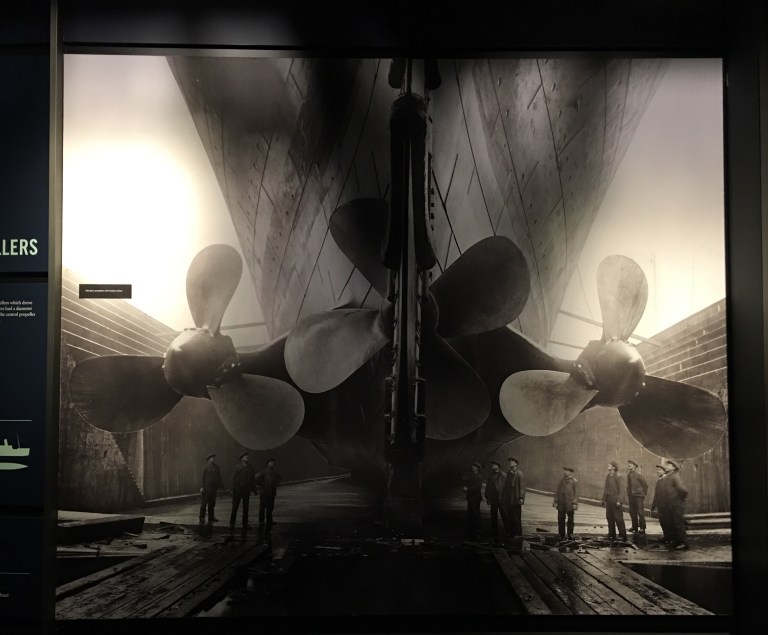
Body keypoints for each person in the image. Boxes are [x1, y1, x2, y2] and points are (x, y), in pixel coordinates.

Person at [664, 459, 689, 550]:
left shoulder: (675, 476)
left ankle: (684, 543)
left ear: (674, 467)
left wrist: (681, 499)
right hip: (671, 504)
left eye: (668, 465)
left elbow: (683, 490)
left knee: (678, 523)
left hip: (677, 504)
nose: (666, 466)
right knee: (673, 523)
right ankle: (677, 541)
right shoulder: (669, 476)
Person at [229, 451, 256, 530]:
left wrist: (254, 489)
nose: (247, 457)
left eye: (247, 456)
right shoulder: (237, 467)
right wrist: (232, 489)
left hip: (246, 490)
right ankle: (232, 523)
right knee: (235, 507)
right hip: (238, 489)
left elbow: (252, 480)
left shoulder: (251, 467)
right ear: (241, 459)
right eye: (245, 456)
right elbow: (233, 479)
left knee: (246, 507)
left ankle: (245, 523)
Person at [602, 460, 628, 541]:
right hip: (609, 501)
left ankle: (623, 535)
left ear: (613, 467)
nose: (608, 465)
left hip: (616, 502)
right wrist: (603, 499)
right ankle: (611, 534)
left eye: (609, 465)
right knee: (609, 518)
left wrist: (619, 501)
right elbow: (606, 488)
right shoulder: (608, 476)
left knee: (618, 518)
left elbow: (622, 490)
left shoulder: (618, 476)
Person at [501, 456, 526, 538]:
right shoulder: (508, 474)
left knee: (516, 517)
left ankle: (518, 534)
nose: (510, 462)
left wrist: (521, 497)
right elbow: (506, 487)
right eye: (510, 461)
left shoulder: (519, 474)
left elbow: (522, 487)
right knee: (510, 516)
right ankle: (512, 533)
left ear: (516, 464)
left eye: (512, 461)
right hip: (508, 499)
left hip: (516, 499)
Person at [254, 457, 283, 529]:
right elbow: (256, 478)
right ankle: (261, 521)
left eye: (273, 462)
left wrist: (275, 483)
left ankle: (269, 521)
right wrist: (262, 484)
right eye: (271, 462)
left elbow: (280, 477)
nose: (272, 463)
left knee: (270, 507)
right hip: (264, 492)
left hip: (272, 492)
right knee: (263, 507)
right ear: (267, 464)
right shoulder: (264, 471)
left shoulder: (274, 472)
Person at [484, 461, 507, 540]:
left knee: (504, 515)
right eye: (492, 464)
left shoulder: (504, 475)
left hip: (502, 499)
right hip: (493, 499)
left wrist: (505, 498)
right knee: (493, 516)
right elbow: (488, 487)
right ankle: (494, 533)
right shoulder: (491, 475)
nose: (493, 465)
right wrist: (488, 497)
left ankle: (508, 532)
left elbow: (507, 488)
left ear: (498, 466)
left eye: (494, 464)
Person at [553, 467, 578, 540]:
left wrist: (574, 503)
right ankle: (561, 534)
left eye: (566, 471)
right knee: (560, 518)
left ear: (570, 472)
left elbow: (576, 493)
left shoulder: (574, 481)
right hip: (561, 503)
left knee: (570, 520)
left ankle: (570, 534)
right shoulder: (562, 480)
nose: (565, 472)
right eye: (565, 470)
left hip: (570, 503)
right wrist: (556, 500)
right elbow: (558, 491)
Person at [199, 453, 222, 524]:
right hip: (206, 488)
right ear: (208, 459)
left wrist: (221, 486)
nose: (213, 459)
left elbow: (219, 477)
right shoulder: (205, 467)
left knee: (212, 503)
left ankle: (211, 517)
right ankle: (202, 517)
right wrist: (202, 487)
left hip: (213, 488)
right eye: (211, 458)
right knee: (204, 504)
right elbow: (202, 478)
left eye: (214, 457)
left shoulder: (217, 467)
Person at [626, 459, 649, 534]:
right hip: (631, 496)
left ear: (635, 466)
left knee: (640, 512)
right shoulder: (629, 475)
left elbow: (645, 485)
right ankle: (634, 527)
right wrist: (628, 493)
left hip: (639, 496)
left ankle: (642, 527)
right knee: (632, 511)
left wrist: (643, 494)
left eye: (631, 464)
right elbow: (629, 486)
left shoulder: (639, 475)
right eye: (629, 464)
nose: (629, 465)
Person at [463, 462, 484, 540]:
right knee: (470, 513)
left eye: (474, 466)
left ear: (478, 468)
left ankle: (477, 530)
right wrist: (464, 486)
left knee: (475, 513)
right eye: (473, 466)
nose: (473, 467)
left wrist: (467, 489)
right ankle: (472, 530)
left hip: (476, 498)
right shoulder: (471, 476)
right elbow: (467, 483)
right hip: (470, 497)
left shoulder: (479, 477)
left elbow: (477, 487)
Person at [650, 464, 670, 544]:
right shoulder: (659, 481)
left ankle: (670, 538)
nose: (657, 471)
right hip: (660, 506)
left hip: (667, 506)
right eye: (657, 470)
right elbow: (656, 494)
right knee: (662, 522)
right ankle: (666, 536)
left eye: (659, 470)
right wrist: (653, 505)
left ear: (664, 471)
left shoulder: (667, 481)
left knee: (668, 522)